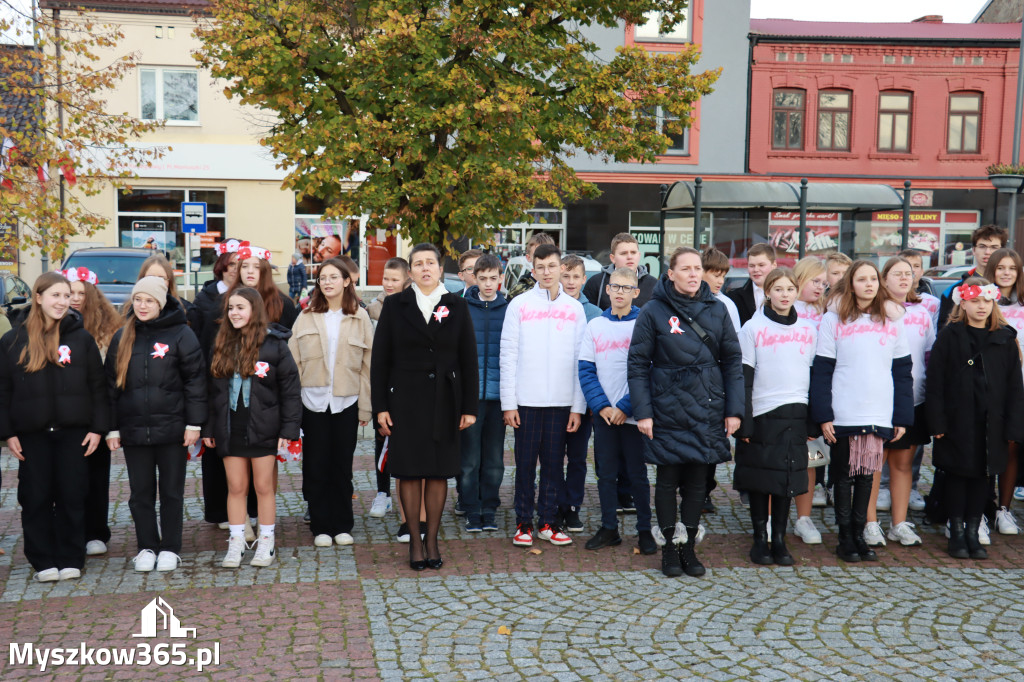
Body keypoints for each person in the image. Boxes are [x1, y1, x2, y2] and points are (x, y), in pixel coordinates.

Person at [628, 247, 743, 578]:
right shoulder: (653, 311)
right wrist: (644, 412)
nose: (694, 274)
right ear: (671, 274)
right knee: (667, 480)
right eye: (687, 269)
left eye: (697, 268)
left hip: (707, 405)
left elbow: (733, 361)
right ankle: (668, 548)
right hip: (667, 405)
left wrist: (734, 409)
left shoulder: (717, 309)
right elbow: (637, 364)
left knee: (697, 482)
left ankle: (688, 547)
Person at [372, 243, 478, 570]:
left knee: (437, 473)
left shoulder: (456, 305)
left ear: (440, 268)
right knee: (408, 470)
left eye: (430, 262)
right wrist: (380, 406)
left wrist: (469, 407)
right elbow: (380, 361)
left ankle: (432, 539)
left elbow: (468, 358)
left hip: (445, 401)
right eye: (418, 264)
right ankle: (414, 542)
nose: (425, 268)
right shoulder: (394, 305)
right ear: (410, 271)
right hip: (405, 401)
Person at [0, 272, 109, 582]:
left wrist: (97, 428)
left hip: (74, 433)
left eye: (66, 296)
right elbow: (3, 390)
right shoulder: (13, 340)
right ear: (38, 298)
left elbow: (98, 388)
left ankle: (71, 555)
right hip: (31, 436)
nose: (63, 302)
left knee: (72, 496)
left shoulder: (81, 338)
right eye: (56, 296)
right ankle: (43, 558)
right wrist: (8, 432)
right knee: (35, 498)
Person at [810, 260, 914, 563]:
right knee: (842, 476)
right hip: (844, 410)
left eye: (873, 279)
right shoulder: (834, 319)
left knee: (867, 477)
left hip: (879, 409)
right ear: (850, 284)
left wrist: (902, 417)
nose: (868, 284)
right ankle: (845, 538)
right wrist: (824, 415)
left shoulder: (893, 319)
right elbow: (822, 370)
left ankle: (860, 533)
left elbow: (903, 370)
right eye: (861, 279)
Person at [105, 276, 207, 573]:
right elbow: (110, 387)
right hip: (134, 430)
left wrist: (194, 423)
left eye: (149, 300)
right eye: (138, 300)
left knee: (172, 492)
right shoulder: (122, 336)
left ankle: (171, 547)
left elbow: (195, 382)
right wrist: (112, 428)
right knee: (140, 494)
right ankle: (147, 546)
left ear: (161, 303)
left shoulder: (181, 335)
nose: (142, 305)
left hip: (173, 429)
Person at [927, 278, 1024, 559]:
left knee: (983, 477)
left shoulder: (1004, 337)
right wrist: (938, 421)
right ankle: (956, 531)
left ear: (993, 302)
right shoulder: (950, 335)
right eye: (975, 301)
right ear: (963, 303)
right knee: (957, 474)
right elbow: (935, 382)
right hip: (957, 420)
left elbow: (1014, 386)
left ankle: (973, 529)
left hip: (991, 421)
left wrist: (1013, 425)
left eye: (986, 301)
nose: (981, 306)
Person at [204, 287, 301, 568]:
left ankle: (266, 543)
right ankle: (236, 544)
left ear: (254, 310)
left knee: (263, 486)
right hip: (230, 427)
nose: (234, 313)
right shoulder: (221, 343)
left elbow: (291, 391)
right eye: (231, 308)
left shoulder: (275, 345)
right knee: (235, 487)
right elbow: (212, 392)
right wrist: (209, 427)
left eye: (240, 307)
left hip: (264, 427)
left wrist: (288, 430)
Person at [500, 243, 586, 548]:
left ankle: (548, 521)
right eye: (541, 267)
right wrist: (508, 403)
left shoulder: (575, 309)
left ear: (561, 268)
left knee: (553, 465)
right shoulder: (519, 305)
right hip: (526, 401)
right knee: (524, 465)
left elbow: (581, 361)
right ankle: (523, 522)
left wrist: (578, 406)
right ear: (533, 269)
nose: (547, 272)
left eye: (552, 266)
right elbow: (507, 355)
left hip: (561, 402)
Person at [735, 267, 817, 566]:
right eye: (778, 289)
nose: (785, 295)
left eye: (790, 289)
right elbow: (743, 376)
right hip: (762, 412)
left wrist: (813, 418)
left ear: (797, 292)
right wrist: (744, 418)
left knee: (786, 480)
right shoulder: (752, 328)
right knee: (760, 479)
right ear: (768, 292)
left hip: (796, 410)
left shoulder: (808, 329)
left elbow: (813, 373)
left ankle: (779, 539)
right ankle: (760, 539)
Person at [289, 258, 373, 548]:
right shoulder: (307, 316)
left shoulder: (359, 317)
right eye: (322, 277)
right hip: (312, 403)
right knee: (315, 465)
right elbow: (294, 363)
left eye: (333, 277)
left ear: (347, 281)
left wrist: (365, 406)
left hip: (346, 401)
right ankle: (321, 524)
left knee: (341, 466)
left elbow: (367, 365)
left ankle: (342, 523)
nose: (327, 282)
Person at [579, 267, 655, 554]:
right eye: (615, 286)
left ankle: (645, 530)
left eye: (626, 287)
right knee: (606, 473)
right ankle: (609, 527)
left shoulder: (643, 325)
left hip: (634, 416)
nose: (620, 291)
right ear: (607, 289)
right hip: (604, 416)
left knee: (637, 475)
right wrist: (602, 406)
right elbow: (586, 370)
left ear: (636, 292)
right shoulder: (596, 326)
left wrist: (625, 407)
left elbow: (649, 371)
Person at [864, 257, 935, 548]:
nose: (905, 279)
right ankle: (869, 523)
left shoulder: (922, 313)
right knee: (873, 464)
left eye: (909, 273)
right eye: (897, 274)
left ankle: (899, 523)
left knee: (903, 464)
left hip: (913, 399)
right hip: (877, 399)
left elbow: (929, 357)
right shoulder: (872, 312)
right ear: (884, 280)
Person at [62, 267, 122, 557]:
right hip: (64, 416)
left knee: (96, 477)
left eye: (80, 294)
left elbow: (111, 379)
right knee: (67, 479)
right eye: (69, 293)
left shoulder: (109, 330)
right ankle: (70, 531)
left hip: (96, 415)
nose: (74, 299)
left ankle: (96, 531)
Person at [192, 239, 251, 533]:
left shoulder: (249, 297)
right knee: (215, 448)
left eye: (239, 267)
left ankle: (246, 508)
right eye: (230, 266)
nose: (234, 271)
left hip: (243, 382)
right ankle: (218, 509)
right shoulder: (204, 301)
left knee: (243, 449)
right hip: (212, 379)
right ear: (220, 267)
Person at [460, 254, 508, 532]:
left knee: (493, 460)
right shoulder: (462, 307)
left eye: (493, 278)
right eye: (483, 278)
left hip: (499, 398)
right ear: (474, 278)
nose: (488, 284)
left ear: (500, 278)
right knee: (468, 459)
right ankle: (470, 508)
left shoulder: (509, 309)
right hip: (470, 398)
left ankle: (489, 507)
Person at [558, 253, 601, 532]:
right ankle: (552, 503)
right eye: (566, 276)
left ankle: (572, 506)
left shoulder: (594, 315)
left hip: (582, 398)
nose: (571, 281)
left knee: (576, 457)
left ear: (584, 279)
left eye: (576, 276)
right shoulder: (549, 309)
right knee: (550, 456)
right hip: (553, 396)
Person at [983, 248, 1024, 535]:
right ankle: (981, 508)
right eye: (1001, 268)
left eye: (1012, 268)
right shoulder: (983, 303)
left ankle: (1003, 509)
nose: (1006, 272)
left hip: (1019, 387)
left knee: (1013, 446)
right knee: (985, 447)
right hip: (989, 387)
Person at [366, 256, 410, 522]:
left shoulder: (412, 306)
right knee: (382, 439)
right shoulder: (372, 310)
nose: (389, 283)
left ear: (406, 279)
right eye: (385, 278)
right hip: (380, 383)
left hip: (404, 385)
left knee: (405, 443)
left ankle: (406, 494)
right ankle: (383, 493)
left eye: (394, 279)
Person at [790, 256, 829, 544]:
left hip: (814, 389)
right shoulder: (785, 307)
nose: (820, 288)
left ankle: (803, 518)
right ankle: (771, 516)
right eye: (815, 281)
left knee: (810, 456)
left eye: (824, 284)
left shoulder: (827, 311)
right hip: (786, 388)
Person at [936, 225, 1008, 331]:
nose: (987, 252)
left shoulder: (1012, 287)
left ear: (1002, 251)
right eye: (982, 246)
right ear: (974, 250)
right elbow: (944, 329)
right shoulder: (956, 290)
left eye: (994, 247)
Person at [230, 245, 299, 330]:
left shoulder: (282, 304)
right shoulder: (229, 299)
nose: (250, 271)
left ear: (265, 271)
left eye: (257, 267)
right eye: (244, 266)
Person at [583, 232, 657, 309]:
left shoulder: (654, 285)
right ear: (612, 258)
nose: (629, 257)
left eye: (633, 252)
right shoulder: (596, 282)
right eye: (623, 253)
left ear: (639, 255)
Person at [136, 254, 201, 331]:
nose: (156, 282)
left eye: (161, 278)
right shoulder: (130, 311)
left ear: (169, 281)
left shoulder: (187, 311)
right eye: (151, 277)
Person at [728, 243, 777, 326]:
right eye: (752, 266)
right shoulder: (733, 298)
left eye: (761, 265)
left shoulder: (787, 294)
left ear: (774, 265)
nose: (756, 269)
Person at [702, 248, 741, 333]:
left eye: (723, 276)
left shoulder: (728, 304)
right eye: (716, 276)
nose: (721, 281)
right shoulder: (687, 298)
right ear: (701, 272)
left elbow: (734, 340)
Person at [507, 232, 555, 300]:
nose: (543, 258)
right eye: (537, 254)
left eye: (547, 253)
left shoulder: (560, 287)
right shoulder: (517, 291)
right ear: (528, 257)